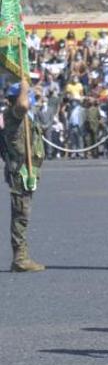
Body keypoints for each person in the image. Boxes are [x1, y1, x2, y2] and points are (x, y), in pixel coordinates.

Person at [2, 81, 45, 272]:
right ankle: (20, 258)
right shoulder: (15, 115)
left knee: (22, 215)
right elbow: (22, 105)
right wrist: (25, 87)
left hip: (26, 171)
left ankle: (21, 257)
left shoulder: (19, 116)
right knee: (21, 215)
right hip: (20, 171)